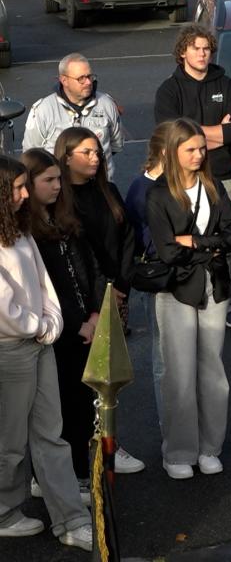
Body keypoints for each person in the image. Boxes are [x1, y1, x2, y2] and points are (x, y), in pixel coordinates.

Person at [0, 155, 93, 551]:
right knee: (11, 442)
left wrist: (50, 321)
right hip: (11, 352)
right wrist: (40, 326)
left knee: (50, 435)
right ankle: (4, 512)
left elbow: (42, 282)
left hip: (38, 345)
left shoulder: (20, 230)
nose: (25, 195)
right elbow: (3, 304)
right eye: (17, 188)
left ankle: (71, 519)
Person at [146, 118, 231, 479]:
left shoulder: (213, 185)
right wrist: (211, 248)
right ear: (171, 152)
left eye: (202, 148)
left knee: (213, 370)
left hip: (214, 287)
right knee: (179, 374)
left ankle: (209, 448)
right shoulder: (158, 194)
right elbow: (168, 252)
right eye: (191, 149)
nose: (200, 155)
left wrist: (198, 243)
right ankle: (179, 451)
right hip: (177, 292)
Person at [53, 128, 145, 473]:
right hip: (85, 300)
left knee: (109, 376)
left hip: (115, 293)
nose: (95, 158)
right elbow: (78, 254)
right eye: (87, 152)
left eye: (97, 152)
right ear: (66, 156)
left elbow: (127, 238)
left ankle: (109, 444)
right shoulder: (61, 199)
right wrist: (101, 290)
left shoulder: (108, 190)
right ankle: (77, 453)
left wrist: (121, 284)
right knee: (78, 381)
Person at [23, 148, 106, 496]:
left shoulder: (66, 220)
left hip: (84, 324)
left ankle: (78, 473)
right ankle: (58, 478)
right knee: (61, 408)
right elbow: (46, 290)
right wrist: (78, 323)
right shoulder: (28, 233)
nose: (58, 186)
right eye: (49, 180)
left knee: (84, 403)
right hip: (58, 333)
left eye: (59, 179)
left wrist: (96, 312)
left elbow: (90, 268)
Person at [154, 23, 231, 329]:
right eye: (196, 48)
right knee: (185, 241)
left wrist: (192, 130)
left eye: (206, 48)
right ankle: (186, 295)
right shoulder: (169, 89)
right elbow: (170, 135)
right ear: (183, 51)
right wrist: (215, 132)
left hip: (220, 176)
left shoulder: (227, 84)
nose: (202, 53)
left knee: (223, 242)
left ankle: (228, 300)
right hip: (180, 181)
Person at [125, 122, 173, 424]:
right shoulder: (142, 188)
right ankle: (170, 422)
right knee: (166, 360)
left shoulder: (182, 182)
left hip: (184, 277)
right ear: (167, 152)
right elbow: (134, 236)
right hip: (159, 280)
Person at [22, 53, 124, 177]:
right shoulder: (43, 110)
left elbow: (115, 145)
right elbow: (31, 155)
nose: (88, 82)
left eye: (90, 76)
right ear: (64, 80)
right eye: (81, 78)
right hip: (61, 190)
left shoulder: (107, 104)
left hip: (99, 189)